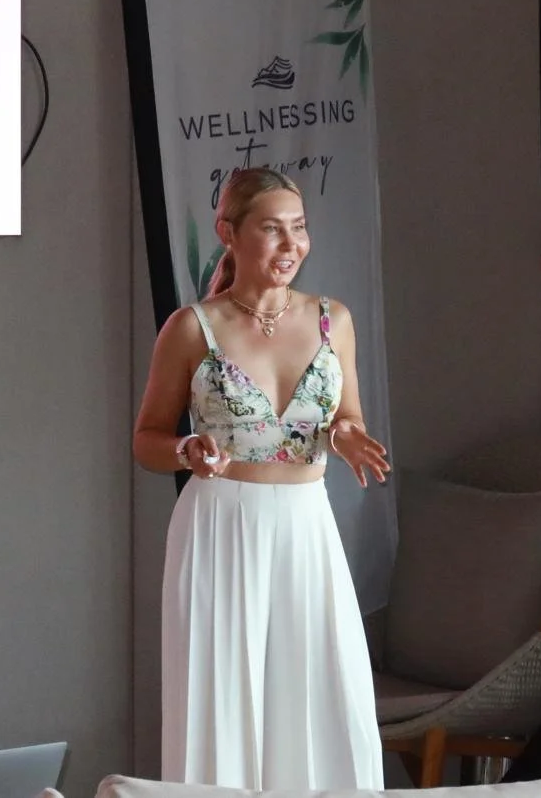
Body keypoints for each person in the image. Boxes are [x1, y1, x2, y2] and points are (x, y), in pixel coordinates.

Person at [133, 166, 390, 790]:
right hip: (220, 528)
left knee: (323, 695)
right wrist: (187, 448)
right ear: (229, 233)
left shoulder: (335, 319)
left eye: (298, 230)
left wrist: (346, 433)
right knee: (221, 699)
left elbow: (346, 415)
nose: (290, 246)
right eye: (271, 230)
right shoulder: (192, 327)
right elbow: (146, 441)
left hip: (306, 528)